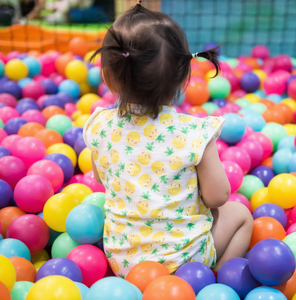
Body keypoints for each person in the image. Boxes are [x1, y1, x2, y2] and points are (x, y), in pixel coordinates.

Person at [82, 0, 253, 277]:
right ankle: (219, 277)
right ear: (184, 76)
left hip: (123, 262)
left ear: (107, 78)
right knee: (241, 215)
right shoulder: (194, 133)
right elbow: (218, 196)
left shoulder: (99, 126)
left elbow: (101, 178)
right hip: (186, 263)